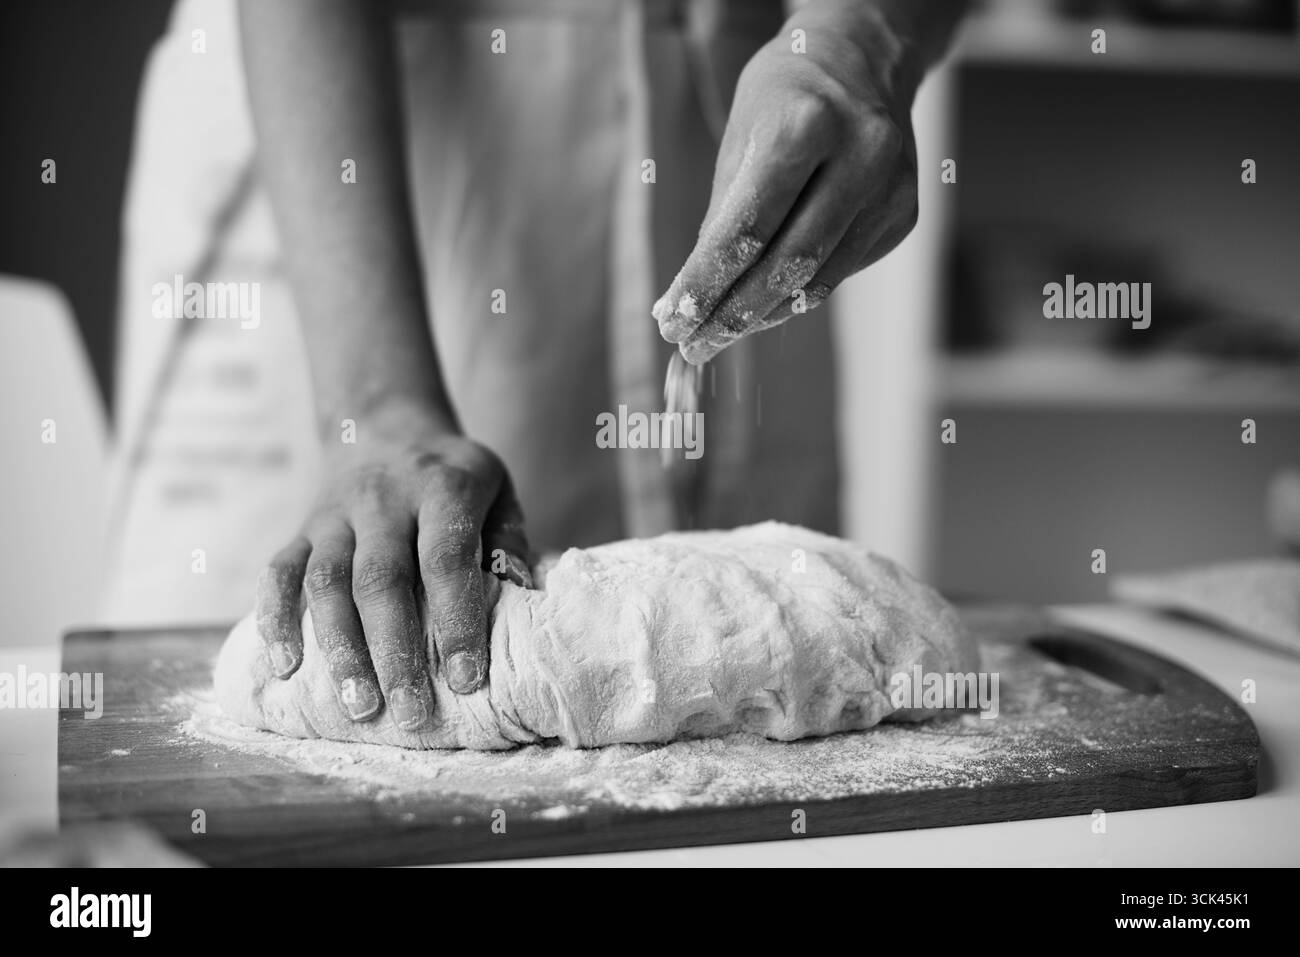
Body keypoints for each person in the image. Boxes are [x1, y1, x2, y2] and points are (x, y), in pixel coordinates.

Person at [105, 0, 967, 733]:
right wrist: (378, 405)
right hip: (340, 182)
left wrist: (859, 42)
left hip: (738, 140)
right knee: (342, 648)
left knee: (752, 705)